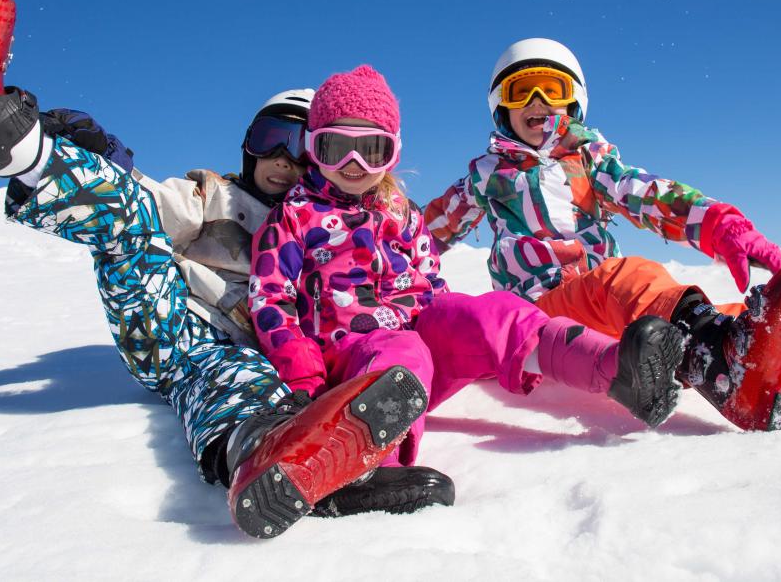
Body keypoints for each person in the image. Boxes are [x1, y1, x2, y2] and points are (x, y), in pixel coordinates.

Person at [0, 0, 431, 539]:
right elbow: (145, 203)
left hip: (246, 357)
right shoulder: (215, 197)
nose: (281, 160)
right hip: (174, 325)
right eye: (269, 138)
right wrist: (102, 154)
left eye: (298, 145)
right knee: (128, 222)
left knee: (243, 379)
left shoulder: (323, 228)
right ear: (248, 144)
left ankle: (284, 461)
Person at [424, 38, 781, 431]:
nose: (538, 101)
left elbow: (650, 195)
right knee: (628, 279)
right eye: (521, 91)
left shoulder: (593, 165)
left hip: (607, 316)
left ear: (574, 104)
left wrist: (720, 225)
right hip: (538, 318)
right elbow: (420, 234)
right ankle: (724, 374)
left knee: (746, 324)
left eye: (552, 90)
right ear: (500, 108)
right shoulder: (486, 178)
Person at [248, 64, 687, 492]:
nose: (354, 163)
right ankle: (358, 467)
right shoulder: (292, 217)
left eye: (373, 149)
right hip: (350, 362)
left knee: (497, 313)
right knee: (403, 351)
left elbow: (431, 285)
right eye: (335, 148)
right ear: (313, 149)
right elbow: (271, 302)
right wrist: (304, 378)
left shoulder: (402, 213)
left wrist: (461, 322)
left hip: (420, 341)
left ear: (393, 153)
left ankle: (616, 372)